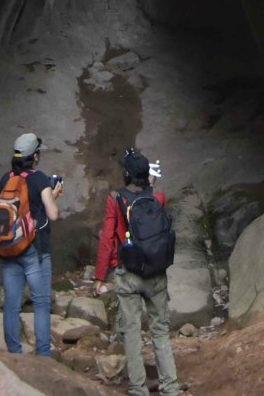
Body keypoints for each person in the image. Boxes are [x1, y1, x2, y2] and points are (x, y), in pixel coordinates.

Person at [94, 148, 180, 396]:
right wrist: (150, 184)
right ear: (147, 176)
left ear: (126, 175)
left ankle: (138, 389)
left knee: (131, 333)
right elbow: (150, 195)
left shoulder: (116, 199)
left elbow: (107, 239)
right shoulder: (158, 198)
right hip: (156, 274)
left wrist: (100, 277)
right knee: (160, 331)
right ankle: (170, 388)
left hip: (128, 274)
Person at [0, 132, 60, 357]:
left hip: (9, 248)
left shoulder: (6, 179)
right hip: (34, 248)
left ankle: (14, 354)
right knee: (41, 303)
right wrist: (53, 194)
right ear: (35, 157)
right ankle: (43, 357)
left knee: (11, 305)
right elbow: (52, 214)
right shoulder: (40, 178)